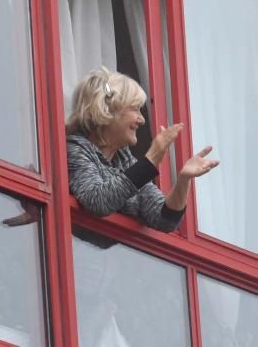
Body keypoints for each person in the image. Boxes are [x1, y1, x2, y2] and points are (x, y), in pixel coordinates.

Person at [66, 67, 219, 231]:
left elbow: (164, 220)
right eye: (134, 109)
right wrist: (152, 159)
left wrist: (183, 180)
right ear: (107, 110)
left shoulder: (125, 161)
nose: (142, 120)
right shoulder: (75, 148)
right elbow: (98, 201)